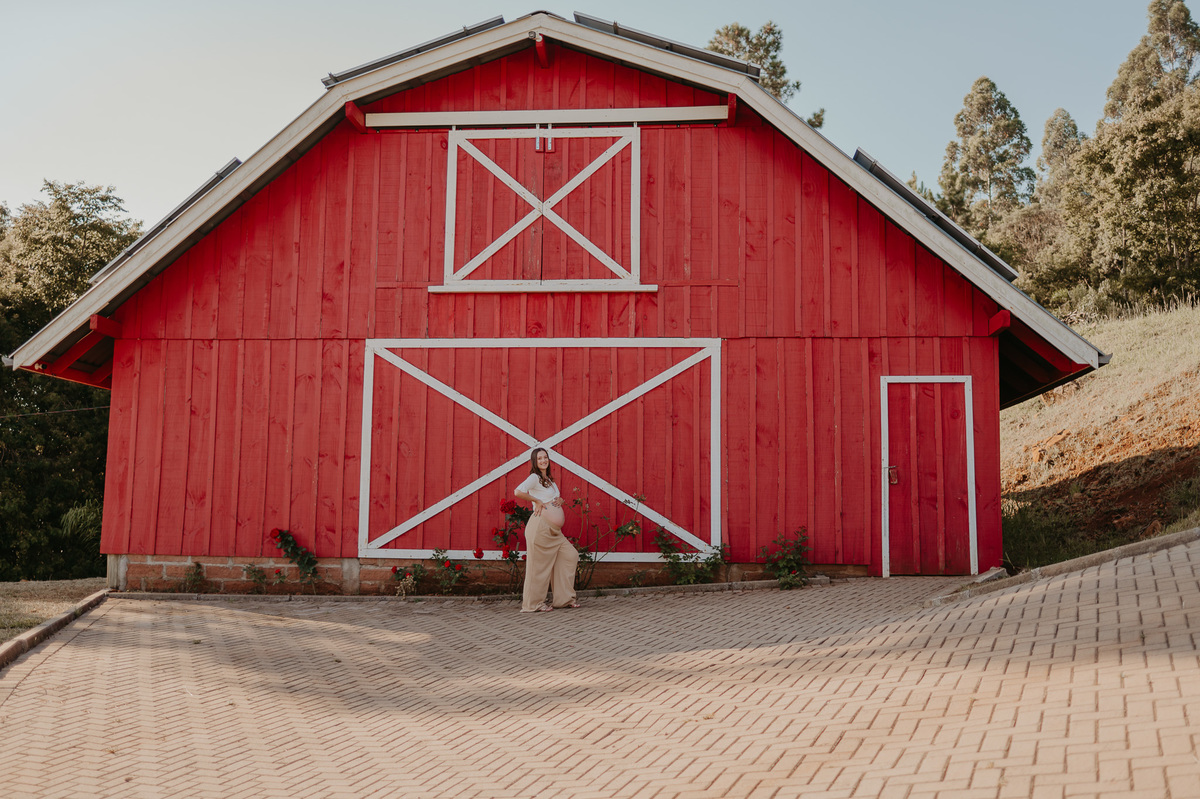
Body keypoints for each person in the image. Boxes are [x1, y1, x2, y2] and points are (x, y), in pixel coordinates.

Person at [514, 447, 580, 612]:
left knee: (570, 555)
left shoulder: (549, 480)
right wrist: (535, 501)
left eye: (545, 457)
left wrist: (560, 501)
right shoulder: (534, 478)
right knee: (538, 567)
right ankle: (533, 604)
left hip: (555, 532)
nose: (543, 460)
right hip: (540, 528)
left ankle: (563, 599)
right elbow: (518, 492)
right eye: (539, 459)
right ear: (535, 462)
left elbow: (552, 498)